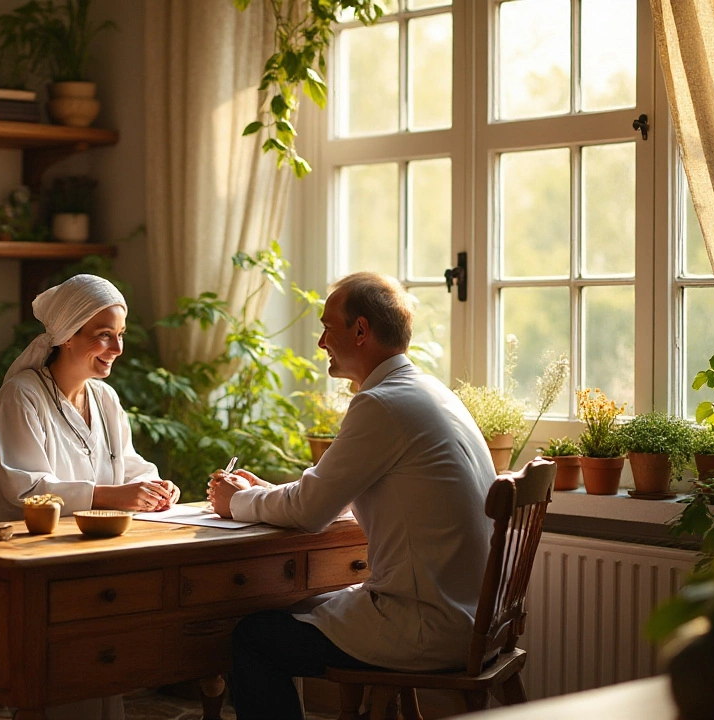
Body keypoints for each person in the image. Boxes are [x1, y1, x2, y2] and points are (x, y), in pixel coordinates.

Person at [207, 272, 497, 720]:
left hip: (428, 626)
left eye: (328, 327)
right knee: (297, 608)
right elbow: (333, 491)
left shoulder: (381, 403)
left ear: (360, 331)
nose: (321, 341)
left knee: (254, 636)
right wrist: (267, 491)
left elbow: (309, 512)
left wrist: (234, 502)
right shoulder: (429, 392)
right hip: (477, 620)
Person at [0, 273, 179, 526]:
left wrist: (155, 487)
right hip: (30, 546)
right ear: (67, 335)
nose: (118, 349)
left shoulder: (105, 397)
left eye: (120, 334)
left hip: (94, 540)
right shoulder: (22, 396)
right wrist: (110, 496)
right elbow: (27, 489)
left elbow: (129, 464)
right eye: (104, 335)